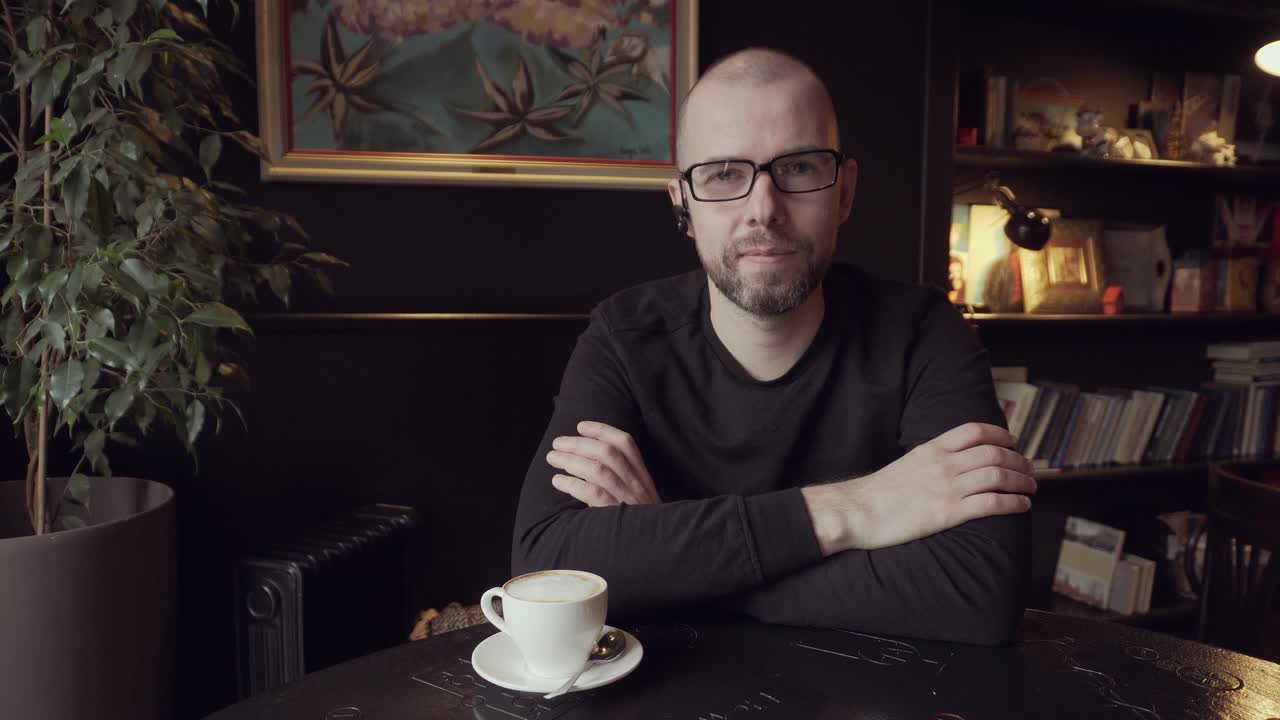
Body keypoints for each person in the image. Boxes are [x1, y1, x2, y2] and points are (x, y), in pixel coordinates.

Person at [510, 47, 1036, 645]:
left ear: (845, 193)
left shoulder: (925, 333)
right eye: (723, 175)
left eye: (800, 168)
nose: (764, 210)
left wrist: (669, 553)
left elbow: (980, 590)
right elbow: (545, 566)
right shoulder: (623, 337)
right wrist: (857, 508)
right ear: (682, 205)